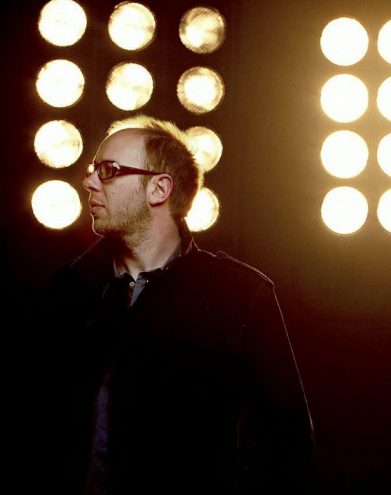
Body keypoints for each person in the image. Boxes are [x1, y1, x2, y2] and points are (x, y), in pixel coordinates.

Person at [42, 116, 313, 494]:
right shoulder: (70, 288)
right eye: (92, 170)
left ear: (159, 188)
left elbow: (289, 443)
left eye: (109, 170)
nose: (89, 182)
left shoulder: (240, 295)